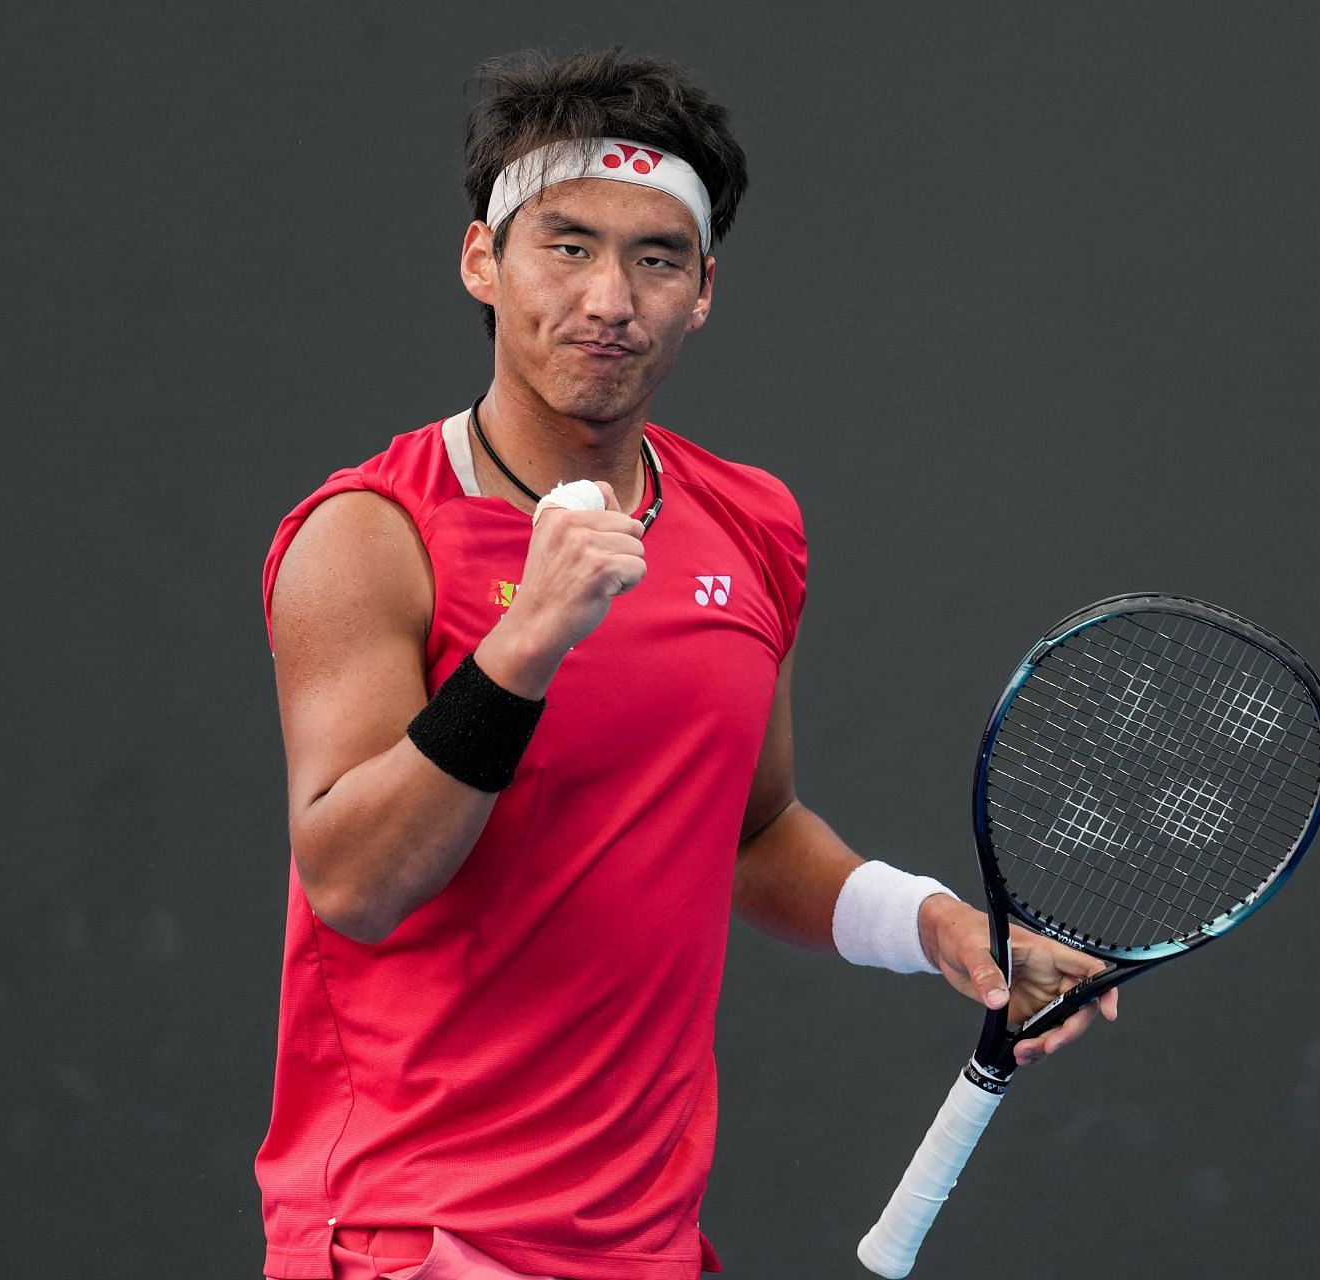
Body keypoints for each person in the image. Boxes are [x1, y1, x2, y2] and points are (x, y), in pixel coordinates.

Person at [256, 48, 1118, 1280]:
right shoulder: (369, 536)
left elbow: (751, 832)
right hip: (414, 1233)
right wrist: (526, 643)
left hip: (645, 1242)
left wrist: (938, 926)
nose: (609, 296)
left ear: (703, 289)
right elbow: (352, 879)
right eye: (566, 244)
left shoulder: (750, 521)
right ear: (481, 262)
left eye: (655, 257)